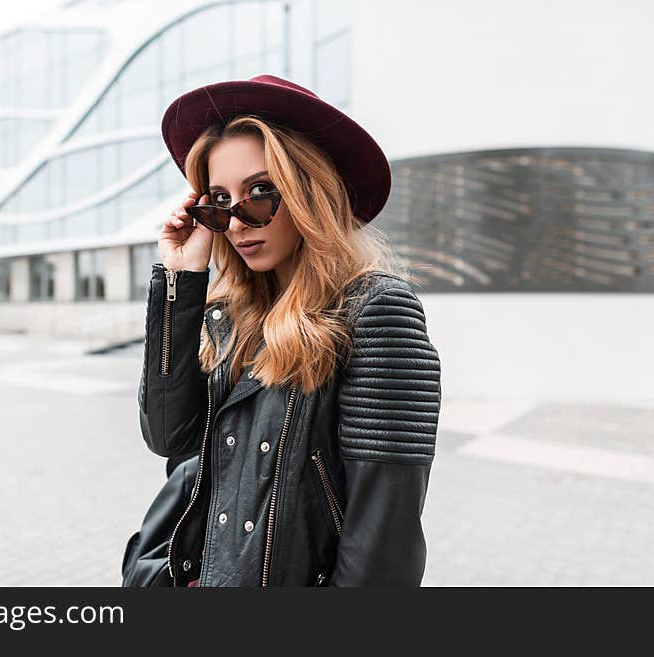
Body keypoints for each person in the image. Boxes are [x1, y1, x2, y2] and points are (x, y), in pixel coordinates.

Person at [136, 74, 441, 586]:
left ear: (309, 192)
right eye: (218, 201)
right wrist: (181, 279)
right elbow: (168, 437)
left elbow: (382, 549)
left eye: (259, 192)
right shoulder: (228, 317)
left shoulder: (377, 313)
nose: (236, 222)